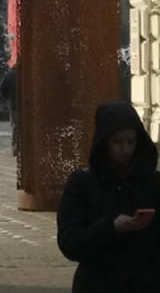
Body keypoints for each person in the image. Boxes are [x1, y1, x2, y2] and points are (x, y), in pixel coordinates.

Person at [57, 101, 160, 292]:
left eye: (130, 142)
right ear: (104, 143)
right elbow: (69, 241)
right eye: (118, 142)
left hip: (146, 281)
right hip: (99, 282)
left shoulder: (151, 182)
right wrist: (111, 228)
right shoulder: (83, 183)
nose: (125, 149)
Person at [0, 65, 17, 154]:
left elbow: (3, 89)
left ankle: (16, 147)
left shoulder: (9, 74)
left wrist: (8, 99)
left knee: (15, 126)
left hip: (14, 104)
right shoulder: (28, 72)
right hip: (28, 104)